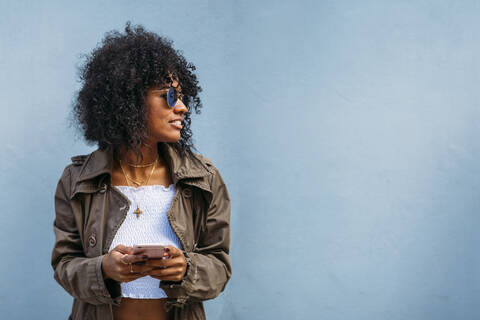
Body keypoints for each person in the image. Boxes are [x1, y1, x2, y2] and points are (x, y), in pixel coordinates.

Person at [51, 23, 231, 320]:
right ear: (130, 100)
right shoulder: (77, 180)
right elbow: (64, 264)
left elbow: (220, 268)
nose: (183, 107)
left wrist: (186, 269)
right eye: (170, 96)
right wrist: (103, 270)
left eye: (182, 96)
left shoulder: (204, 179)